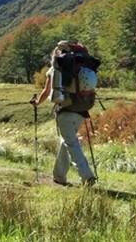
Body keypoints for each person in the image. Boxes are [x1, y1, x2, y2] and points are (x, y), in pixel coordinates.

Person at [33, 42, 96, 187]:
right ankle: (59, 176)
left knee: (71, 143)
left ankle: (87, 176)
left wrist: (37, 102)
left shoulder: (56, 69)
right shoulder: (82, 66)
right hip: (82, 109)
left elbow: (47, 91)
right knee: (67, 141)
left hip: (65, 110)